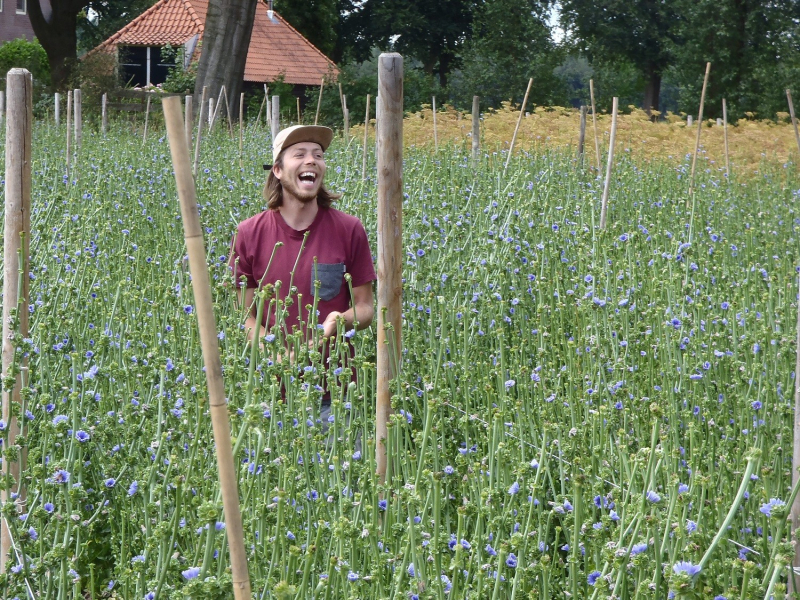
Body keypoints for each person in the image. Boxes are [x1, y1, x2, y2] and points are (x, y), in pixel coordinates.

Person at [229, 124, 376, 388]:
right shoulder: (249, 232)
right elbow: (244, 316)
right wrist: (275, 352)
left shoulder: (349, 229)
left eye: (318, 155)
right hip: (269, 390)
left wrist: (341, 320)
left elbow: (365, 308)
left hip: (335, 390)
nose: (311, 160)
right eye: (299, 154)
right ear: (277, 170)